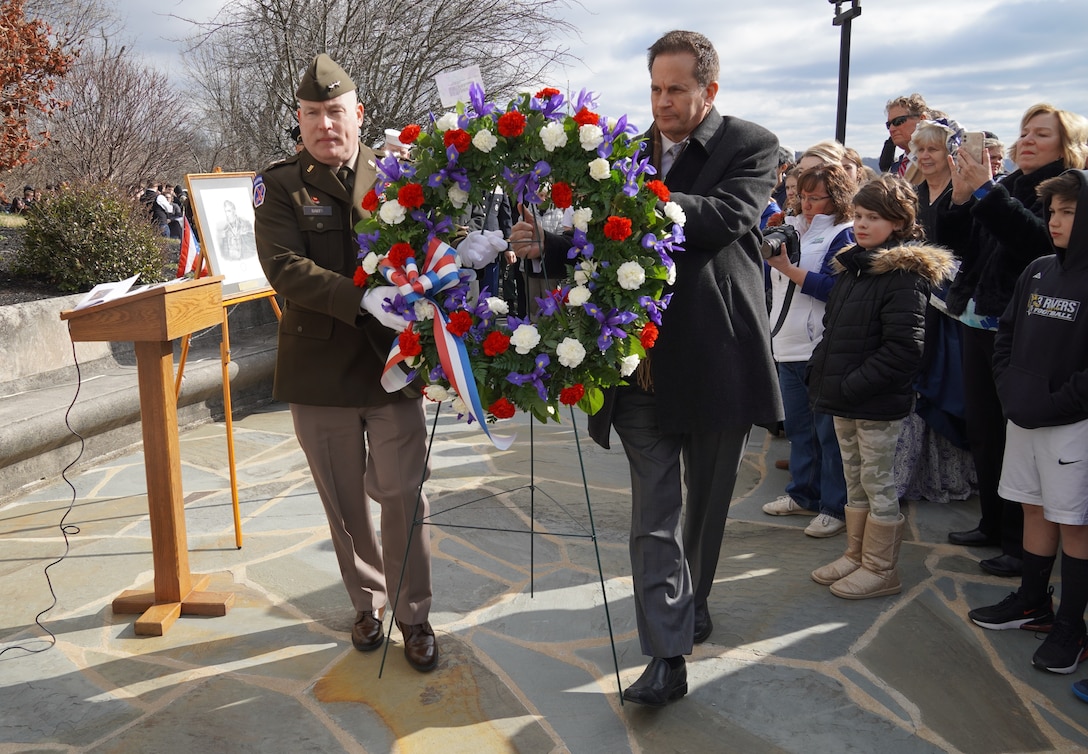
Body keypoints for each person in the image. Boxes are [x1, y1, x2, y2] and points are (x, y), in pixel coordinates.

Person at [510, 30, 781, 706]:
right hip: (637, 366)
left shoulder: (750, 145)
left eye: (677, 90)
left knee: (705, 510)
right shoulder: (623, 153)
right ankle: (667, 654)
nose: (662, 102)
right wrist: (549, 239)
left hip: (717, 354)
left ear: (708, 91)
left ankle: (693, 601)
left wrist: (631, 201)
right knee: (654, 513)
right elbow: (597, 235)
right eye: (655, 88)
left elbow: (724, 218)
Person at [253, 54, 503, 673]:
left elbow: (426, 239)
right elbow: (284, 268)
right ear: (300, 121)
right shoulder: (280, 185)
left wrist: (459, 250)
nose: (324, 125)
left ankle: (413, 614)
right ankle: (365, 603)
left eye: (335, 112)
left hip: (394, 366)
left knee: (403, 495)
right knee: (343, 502)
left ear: (358, 114)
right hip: (320, 370)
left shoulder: (398, 178)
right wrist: (360, 297)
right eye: (311, 114)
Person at [938, 104, 1088, 578]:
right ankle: (992, 521)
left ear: (1066, 146)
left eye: (1039, 134)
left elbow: (1037, 244)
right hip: (978, 318)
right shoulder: (1003, 186)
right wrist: (962, 199)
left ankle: (1019, 545)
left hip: (1022, 327)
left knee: (1012, 436)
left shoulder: (1066, 191)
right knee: (983, 429)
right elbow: (959, 247)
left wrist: (984, 190)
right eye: (1023, 132)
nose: (1025, 140)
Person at [807, 175, 954, 599]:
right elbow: (836, 330)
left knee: (878, 483)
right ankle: (856, 554)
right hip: (844, 397)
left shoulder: (904, 276)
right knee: (854, 480)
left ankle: (881, 568)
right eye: (858, 216)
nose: (862, 225)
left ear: (900, 222)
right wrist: (821, 372)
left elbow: (905, 348)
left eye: (874, 217)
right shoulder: (856, 266)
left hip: (874, 402)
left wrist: (852, 384)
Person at [967, 169, 1088, 681]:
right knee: (1034, 509)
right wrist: (1010, 388)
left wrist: (1051, 404)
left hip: (1071, 425)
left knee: (1075, 524)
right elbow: (1007, 333)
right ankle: (1033, 602)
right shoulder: (1038, 269)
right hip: (1024, 415)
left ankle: (1071, 625)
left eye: (1068, 213)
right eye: (1052, 211)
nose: (1055, 221)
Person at [761, 163, 854, 538]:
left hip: (819, 348)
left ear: (837, 198)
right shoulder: (793, 226)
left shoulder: (843, 233)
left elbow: (836, 289)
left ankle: (833, 506)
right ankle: (803, 495)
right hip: (786, 344)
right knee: (800, 430)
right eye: (802, 195)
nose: (807, 203)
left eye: (816, 197)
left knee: (828, 435)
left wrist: (787, 267)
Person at [893, 120, 977, 504]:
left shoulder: (967, 194)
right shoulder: (912, 194)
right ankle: (913, 475)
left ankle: (950, 476)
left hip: (952, 308)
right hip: (915, 301)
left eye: (933, 150)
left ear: (950, 153)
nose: (925, 157)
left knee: (945, 384)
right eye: (919, 150)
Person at [880, 93, 931, 179]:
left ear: (922, 119)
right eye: (889, 124)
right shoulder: (894, 169)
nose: (891, 129)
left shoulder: (940, 163)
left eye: (898, 121)